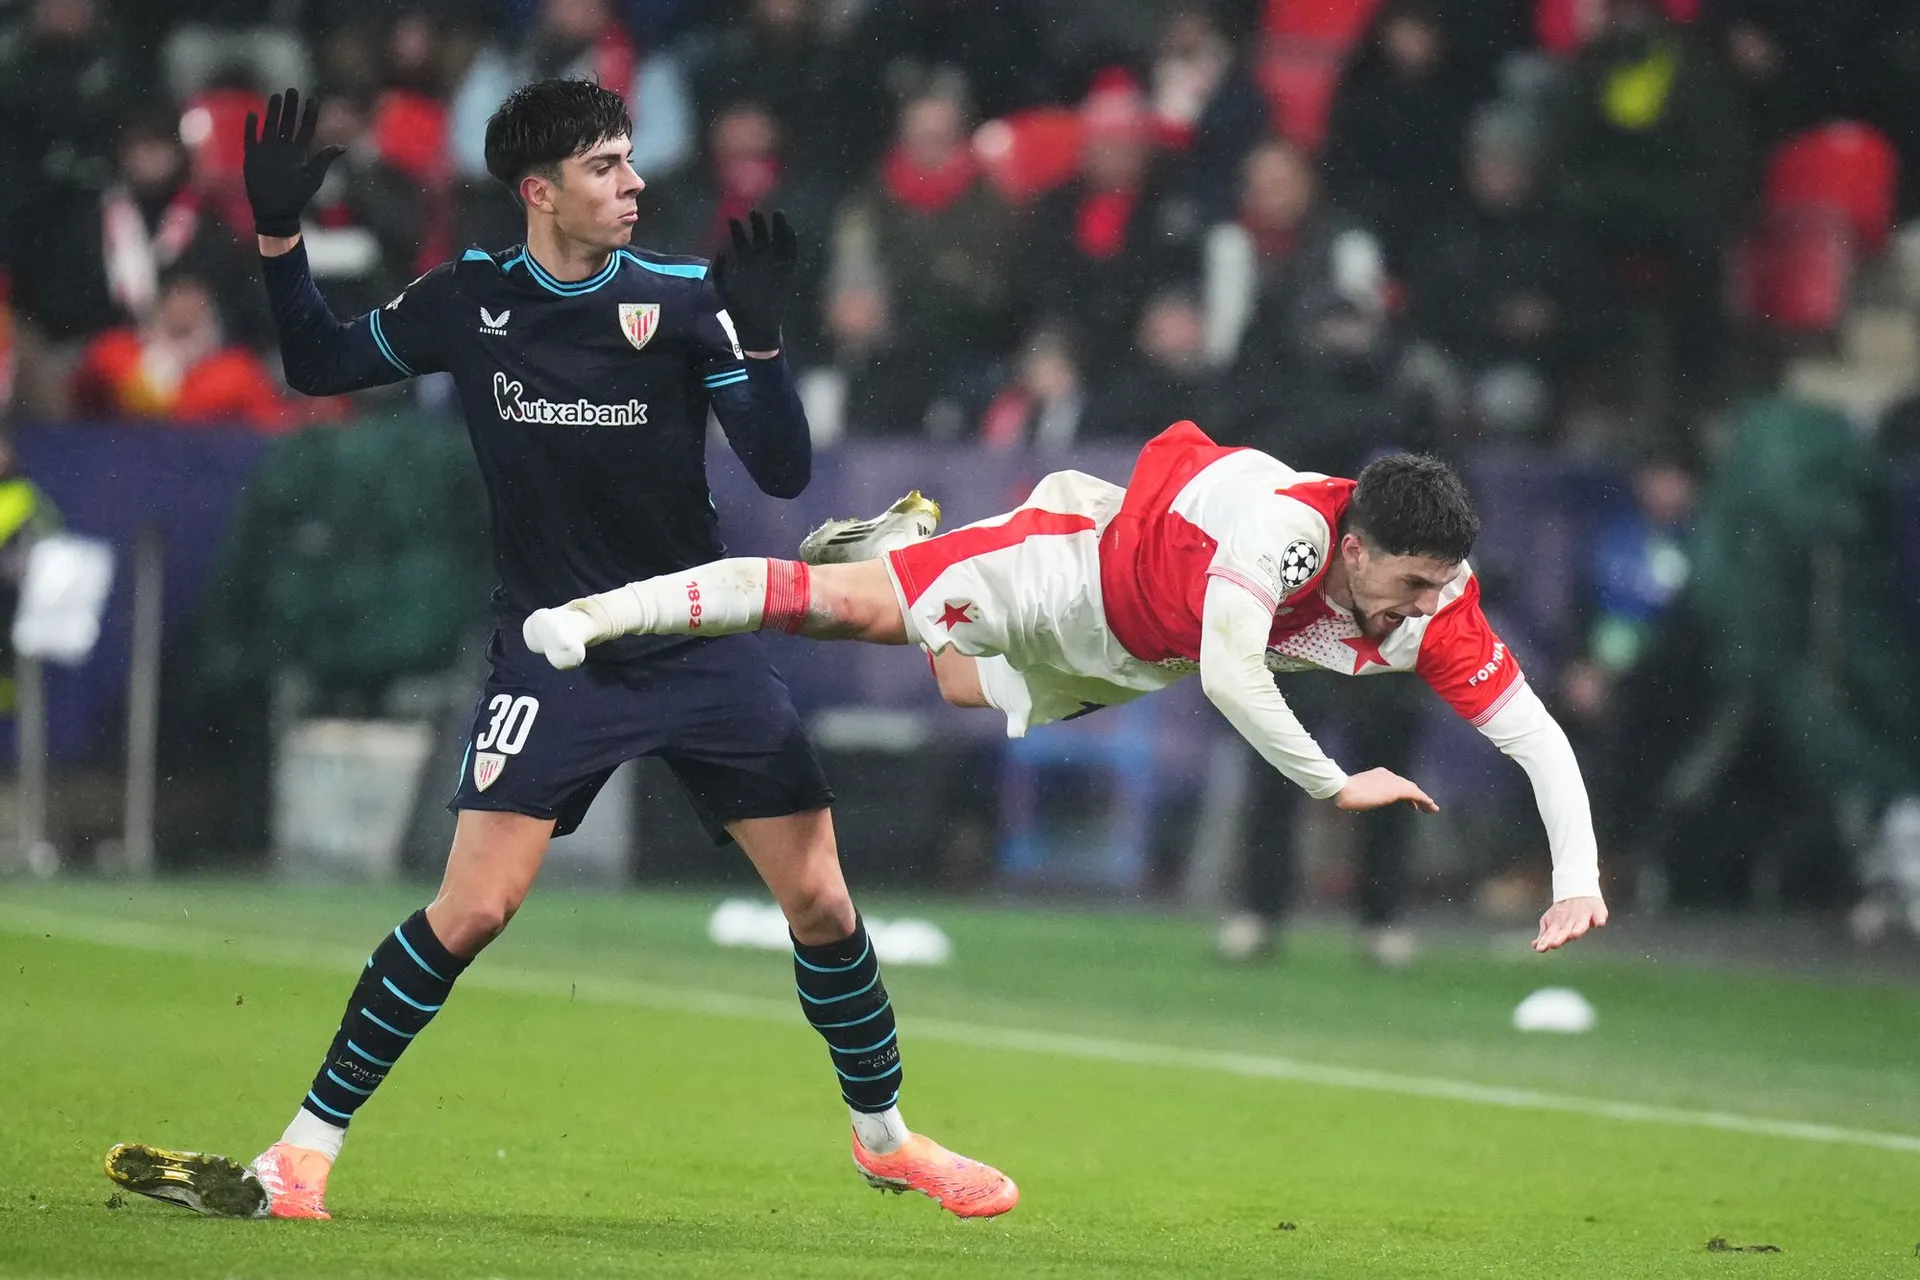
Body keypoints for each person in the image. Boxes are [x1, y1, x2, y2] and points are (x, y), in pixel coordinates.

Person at [102, 81, 1015, 1223]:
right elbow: (320, 364)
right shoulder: (469, 298)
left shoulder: (682, 299)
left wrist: (765, 339)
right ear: (538, 192)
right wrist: (279, 237)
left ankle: (885, 1139)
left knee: (824, 902)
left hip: (694, 636)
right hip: (556, 653)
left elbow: (782, 469)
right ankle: (299, 1155)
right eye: (604, 166)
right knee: (473, 909)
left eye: (629, 159)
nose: (634, 182)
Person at [527, 420, 1610, 956]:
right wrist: (1334, 783)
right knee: (834, 606)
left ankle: (904, 546)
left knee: (962, 685)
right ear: (1357, 548)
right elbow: (1233, 675)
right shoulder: (1288, 534)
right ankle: (599, 613)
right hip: (1074, 566)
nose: (1425, 608)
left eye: (1441, 585)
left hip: (1136, 654)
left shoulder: (1437, 603)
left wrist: (1577, 876)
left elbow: (1536, 735)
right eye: (1411, 583)